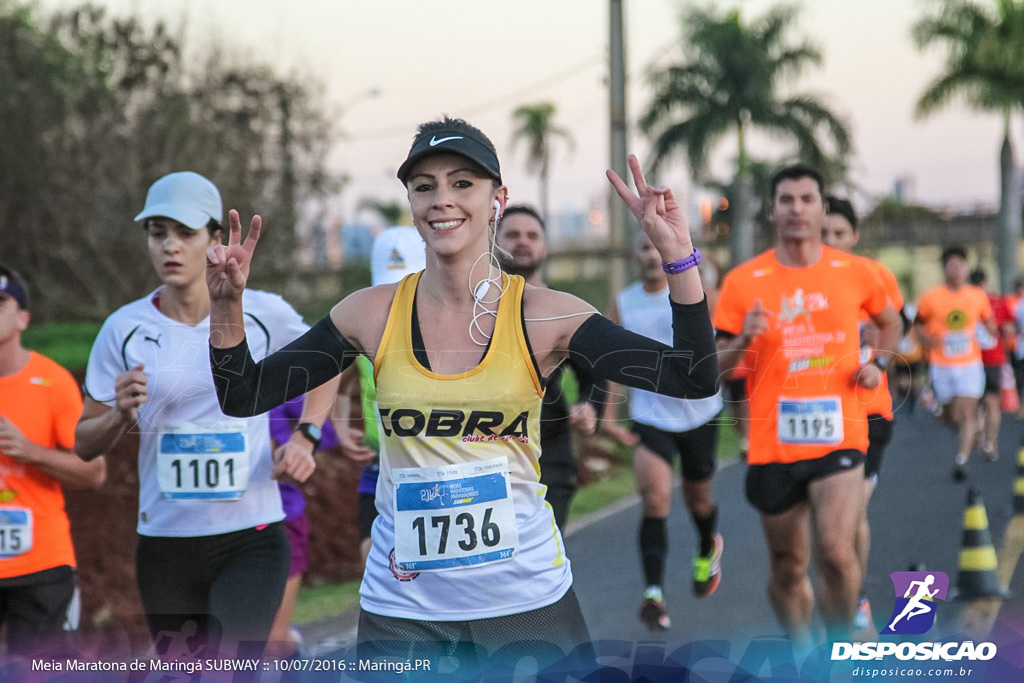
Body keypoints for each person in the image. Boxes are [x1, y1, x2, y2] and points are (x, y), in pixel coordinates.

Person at [205, 116, 718, 666]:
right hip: (403, 610)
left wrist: (679, 257)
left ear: (497, 199)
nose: (441, 199)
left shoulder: (546, 316)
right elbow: (245, 395)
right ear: (410, 202)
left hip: (526, 601)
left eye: (461, 183)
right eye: (424, 186)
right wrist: (227, 307)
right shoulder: (369, 313)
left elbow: (692, 375)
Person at [74, 172, 338, 660]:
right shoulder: (123, 329)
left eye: (185, 233)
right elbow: (83, 443)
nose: (169, 246)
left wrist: (306, 437)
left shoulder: (263, 313)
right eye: (157, 233)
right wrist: (118, 416)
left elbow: (329, 362)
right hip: (166, 543)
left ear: (216, 240)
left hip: (252, 536)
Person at [713, 164, 901, 651]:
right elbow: (714, 367)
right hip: (774, 443)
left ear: (822, 208)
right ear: (773, 211)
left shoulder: (857, 272)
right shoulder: (743, 281)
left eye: (807, 199)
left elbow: (890, 321)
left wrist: (877, 365)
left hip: (840, 433)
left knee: (836, 553)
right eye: (787, 200)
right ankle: (801, 650)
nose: (797, 208)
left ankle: (838, 652)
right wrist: (745, 341)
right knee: (788, 565)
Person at [606, 233, 724, 632]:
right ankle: (653, 593)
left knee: (698, 501)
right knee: (655, 499)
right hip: (650, 417)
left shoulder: (698, 293)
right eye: (643, 247)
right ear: (634, 256)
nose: (652, 255)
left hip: (700, 416)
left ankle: (708, 546)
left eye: (658, 248)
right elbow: (613, 364)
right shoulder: (623, 302)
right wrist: (608, 418)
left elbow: (722, 346)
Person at [0, 266, 107, 657]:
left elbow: (94, 472)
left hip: (41, 565)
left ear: (23, 318)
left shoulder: (53, 382)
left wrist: (30, 452)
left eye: (0, 303)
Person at [822, 195, 905, 638]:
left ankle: (857, 605)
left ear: (854, 236)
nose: (831, 242)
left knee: (851, 518)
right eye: (824, 234)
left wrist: (880, 365)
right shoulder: (803, 285)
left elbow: (896, 327)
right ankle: (842, 602)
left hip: (869, 414)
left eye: (839, 234)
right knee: (826, 530)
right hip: (818, 416)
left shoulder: (873, 277)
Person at [495, 204, 603, 528]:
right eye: (512, 235)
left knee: (543, 567)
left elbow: (594, 375)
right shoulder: (472, 310)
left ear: (545, 247)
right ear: (494, 242)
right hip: (486, 460)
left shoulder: (563, 312)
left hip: (549, 457)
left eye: (532, 235)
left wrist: (589, 406)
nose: (522, 242)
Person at [334, 226, 427, 565]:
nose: (394, 297)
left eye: (404, 286)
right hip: (379, 471)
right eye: (386, 286)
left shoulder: (451, 332)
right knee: (372, 560)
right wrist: (341, 429)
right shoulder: (363, 334)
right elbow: (335, 384)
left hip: (434, 473)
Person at [266, 395, 341, 659]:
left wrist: (288, 446)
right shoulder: (186, 379)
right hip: (208, 524)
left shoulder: (271, 373)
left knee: (272, 642)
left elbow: (327, 433)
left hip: (281, 517)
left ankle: (296, 654)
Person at [913, 246, 995, 482]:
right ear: (944, 269)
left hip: (969, 363)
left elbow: (988, 323)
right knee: (950, 416)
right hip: (942, 364)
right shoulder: (931, 297)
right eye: (951, 265)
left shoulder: (977, 296)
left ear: (966, 268)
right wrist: (926, 338)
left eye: (960, 264)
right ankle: (967, 431)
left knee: (967, 411)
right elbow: (918, 324)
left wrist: (991, 332)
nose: (956, 269)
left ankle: (962, 458)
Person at [967, 267, 1014, 461]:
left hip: (971, 361)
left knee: (974, 403)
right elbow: (1009, 329)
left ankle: (978, 435)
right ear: (985, 282)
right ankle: (990, 444)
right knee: (992, 402)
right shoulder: (997, 302)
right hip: (993, 359)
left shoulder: (966, 301)